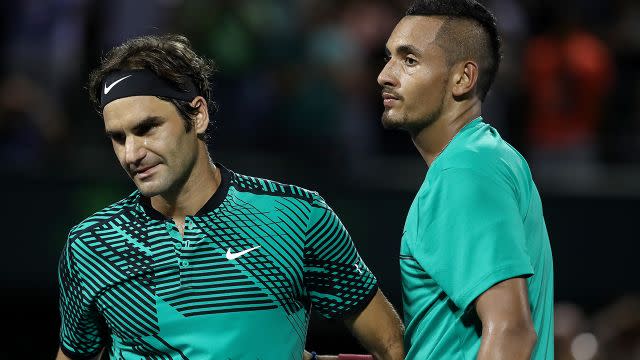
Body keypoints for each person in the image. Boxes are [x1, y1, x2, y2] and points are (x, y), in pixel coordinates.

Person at [56, 34, 404, 360]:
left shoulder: (299, 217)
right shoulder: (90, 245)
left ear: (198, 115)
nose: (132, 153)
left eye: (147, 128)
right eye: (118, 137)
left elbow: (392, 345)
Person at [377, 1, 554, 359]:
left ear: (463, 78)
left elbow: (513, 333)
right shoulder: (490, 157)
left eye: (409, 60)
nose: (385, 75)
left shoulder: (465, 171)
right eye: (389, 57)